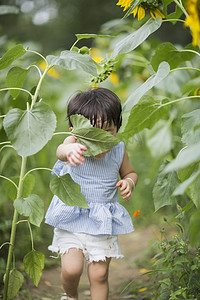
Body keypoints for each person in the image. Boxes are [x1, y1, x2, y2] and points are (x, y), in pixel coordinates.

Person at [45, 87, 138, 300]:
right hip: (72, 216)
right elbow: (61, 151)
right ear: (74, 130)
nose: (100, 140)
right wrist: (68, 151)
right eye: (93, 133)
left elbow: (130, 172)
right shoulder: (73, 144)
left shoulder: (118, 150)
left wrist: (128, 182)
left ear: (117, 127)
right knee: (72, 269)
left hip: (101, 220)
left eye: (108, 132)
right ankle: (71, 296)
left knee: (99, 273)